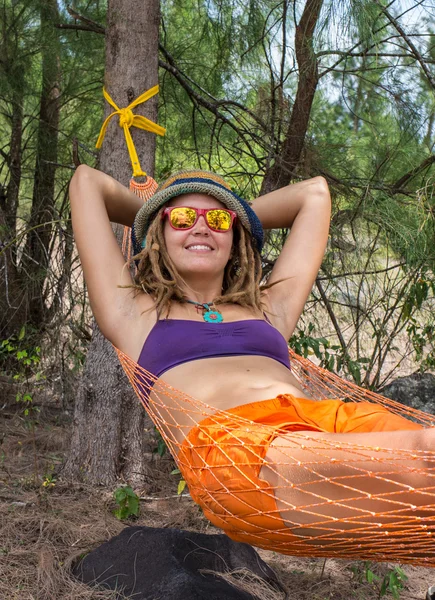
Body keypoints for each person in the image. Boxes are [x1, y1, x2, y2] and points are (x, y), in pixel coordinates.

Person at [70, 166, 434, 555]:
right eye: (182, 218)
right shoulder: (133, 313)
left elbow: (315, 194)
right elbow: (86, 183)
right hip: (236, 453)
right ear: (160, 234)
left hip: (328, 422)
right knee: (426, 459)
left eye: (217, 219)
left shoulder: (267, 308)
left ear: (235, 235)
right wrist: (154, 215)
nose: (201, 227)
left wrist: (233, 215)